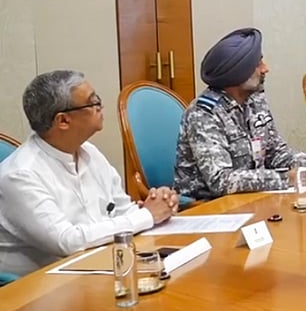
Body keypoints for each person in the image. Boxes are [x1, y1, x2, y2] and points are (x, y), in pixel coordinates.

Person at [0, 71, 177, 276]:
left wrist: (157, 205)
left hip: (99, 266)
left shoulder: (89, 153)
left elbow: (121, 209)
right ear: (63, 121)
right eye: (93, 103)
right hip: (39, 288)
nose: (100, 108)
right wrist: (147, 215)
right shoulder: (20, 175)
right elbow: (68, 242)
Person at [175, 28, 306, 200]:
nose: (265, 69)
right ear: (238, 72)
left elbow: (276, 152)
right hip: (208, 209)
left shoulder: (255, 100)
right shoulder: (203, 114)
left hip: (252, 199)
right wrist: (288, 177)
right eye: (258, 64)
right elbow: (221, 181)